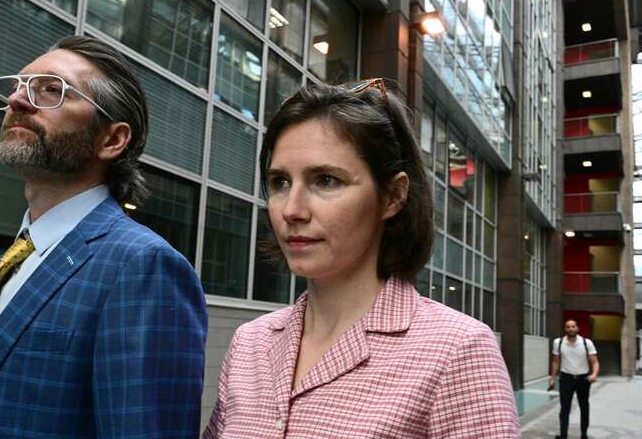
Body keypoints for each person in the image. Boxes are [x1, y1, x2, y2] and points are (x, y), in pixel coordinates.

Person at [0, 36, 208, 438]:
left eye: (52, 90)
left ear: (111, 139)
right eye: (20, 86)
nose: (17, 101)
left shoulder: (143, 267)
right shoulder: (11, 259)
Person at [203, 80, 519, 438]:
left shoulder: (457, 353)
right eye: (279, 182)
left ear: (393, 196)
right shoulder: (251, 343)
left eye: (325, 180)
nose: (292, 210)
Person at [549, 319, 600, 439]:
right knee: (564, 408)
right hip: (566, 378)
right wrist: (552, 378)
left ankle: (583, 435)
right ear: (565, 329)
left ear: (577, 328)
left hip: (583, 379)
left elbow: (595, 363)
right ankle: (563, 435)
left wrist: (594, 375)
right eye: (568, 327)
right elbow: (555, 362)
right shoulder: (558, 342)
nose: (570, 329)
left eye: (573, 326)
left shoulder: (586, 343)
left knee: (584, 407)